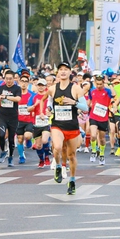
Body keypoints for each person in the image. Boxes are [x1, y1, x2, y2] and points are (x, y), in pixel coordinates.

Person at [48, 62, 87, 195]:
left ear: (70, 72)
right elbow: (49, 101)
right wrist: (48, 108)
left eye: (66, 69)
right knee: (58, 147)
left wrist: (74, 102)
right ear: (57, 73)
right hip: (57, 124)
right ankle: (58, 166)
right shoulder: (52, 88)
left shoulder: (76, 89)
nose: (63, 72)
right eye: (61, 69)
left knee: (71, 155)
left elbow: (85, 108)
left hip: (72, 126)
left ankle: (72, 180)